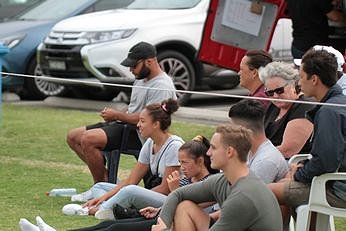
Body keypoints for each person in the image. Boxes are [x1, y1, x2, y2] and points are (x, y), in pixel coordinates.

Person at [19, 136, 218, 231]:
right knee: (109, 223)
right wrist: (158, 207)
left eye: (184, 162)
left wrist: (174, 192)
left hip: (171, 223)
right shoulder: (186, 177)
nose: (180, 167)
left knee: (115, 229)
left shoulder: (210, 182)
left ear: (200, 161)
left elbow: (190, 208)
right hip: (163, 215)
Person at [66, 41, 177, 183]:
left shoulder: (162, 86)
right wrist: (116, 115)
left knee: (88, 139)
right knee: (73, 137)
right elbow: (133, 108)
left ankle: (100, 187)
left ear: (149, 61)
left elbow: (149, 121)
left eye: (134, 65)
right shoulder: (141, 78)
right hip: (125, 125)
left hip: (140, 133)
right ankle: (106, 181)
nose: (131, 70)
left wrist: (117, 115)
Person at [153, 124, 283, 231]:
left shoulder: (243, 197)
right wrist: (162, 223)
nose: (208, 153)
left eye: (213, 148)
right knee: (184, 206)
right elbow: (178, 194)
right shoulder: (224, 180)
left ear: (229, 152)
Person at [68, 99, 183, 220]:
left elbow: (166, 189)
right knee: (100, 187)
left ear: (156, 124)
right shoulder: (149, 143)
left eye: (142, 121)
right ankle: (113, 207)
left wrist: (136, 194)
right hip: (152, 193)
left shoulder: (174, 146)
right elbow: (130, 181)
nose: (138, 125)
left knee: (130, 191)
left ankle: (100, 210)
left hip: (169, 199)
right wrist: (104, 197)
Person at [269, 48, 346, 226]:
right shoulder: (337, 103)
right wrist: (303, 167)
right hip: (334, 182)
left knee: (263, 192)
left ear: (314, 79)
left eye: (301, 76)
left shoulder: (329, 112)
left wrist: (299, 174)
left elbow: (326, 161)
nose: (298, 81)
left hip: (336, 189)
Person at [259, 61, 314, 158]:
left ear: (293, 84)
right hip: (269, 160)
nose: (275, 96)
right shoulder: (273, 107)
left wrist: (255, 156)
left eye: (279, 90)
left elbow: (288, 150)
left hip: (290, 164)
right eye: (270, 93)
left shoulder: (304, 106)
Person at [228, 99, 288, 184]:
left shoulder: (264, 162)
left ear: (246, 131)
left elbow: (248, 194)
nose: (230, 133)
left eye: (232, 129)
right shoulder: (250, 151)